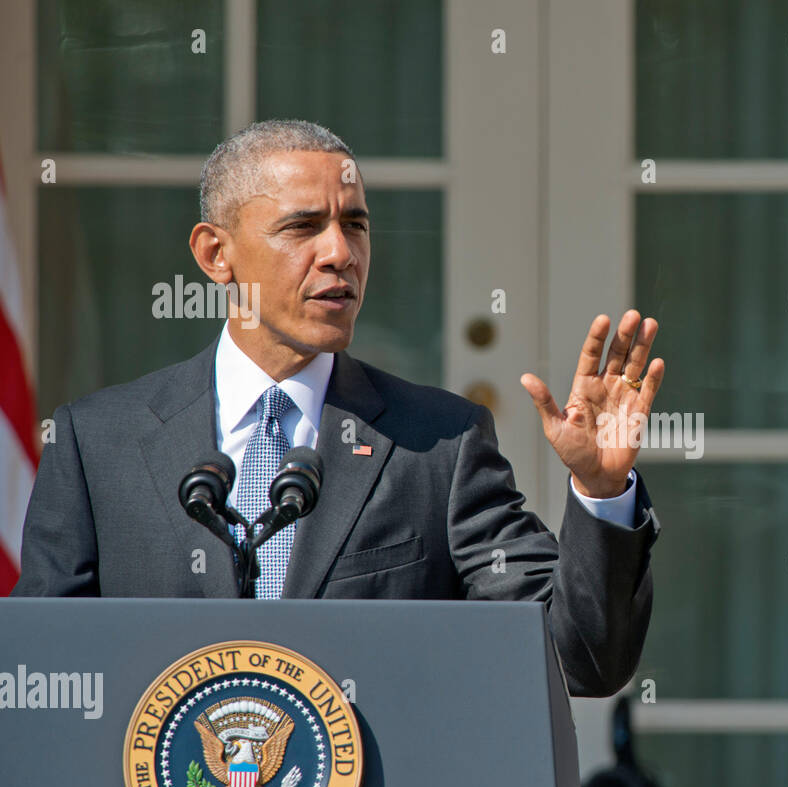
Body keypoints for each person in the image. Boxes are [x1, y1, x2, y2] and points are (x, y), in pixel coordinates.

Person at [13, 119, 664, 698]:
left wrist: (601, 492)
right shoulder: (99, 441)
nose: (341, 253)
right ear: (216, 254)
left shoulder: (438, 444)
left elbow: (578, 658)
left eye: (354, 223)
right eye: (303, 226)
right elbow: (39, 676)